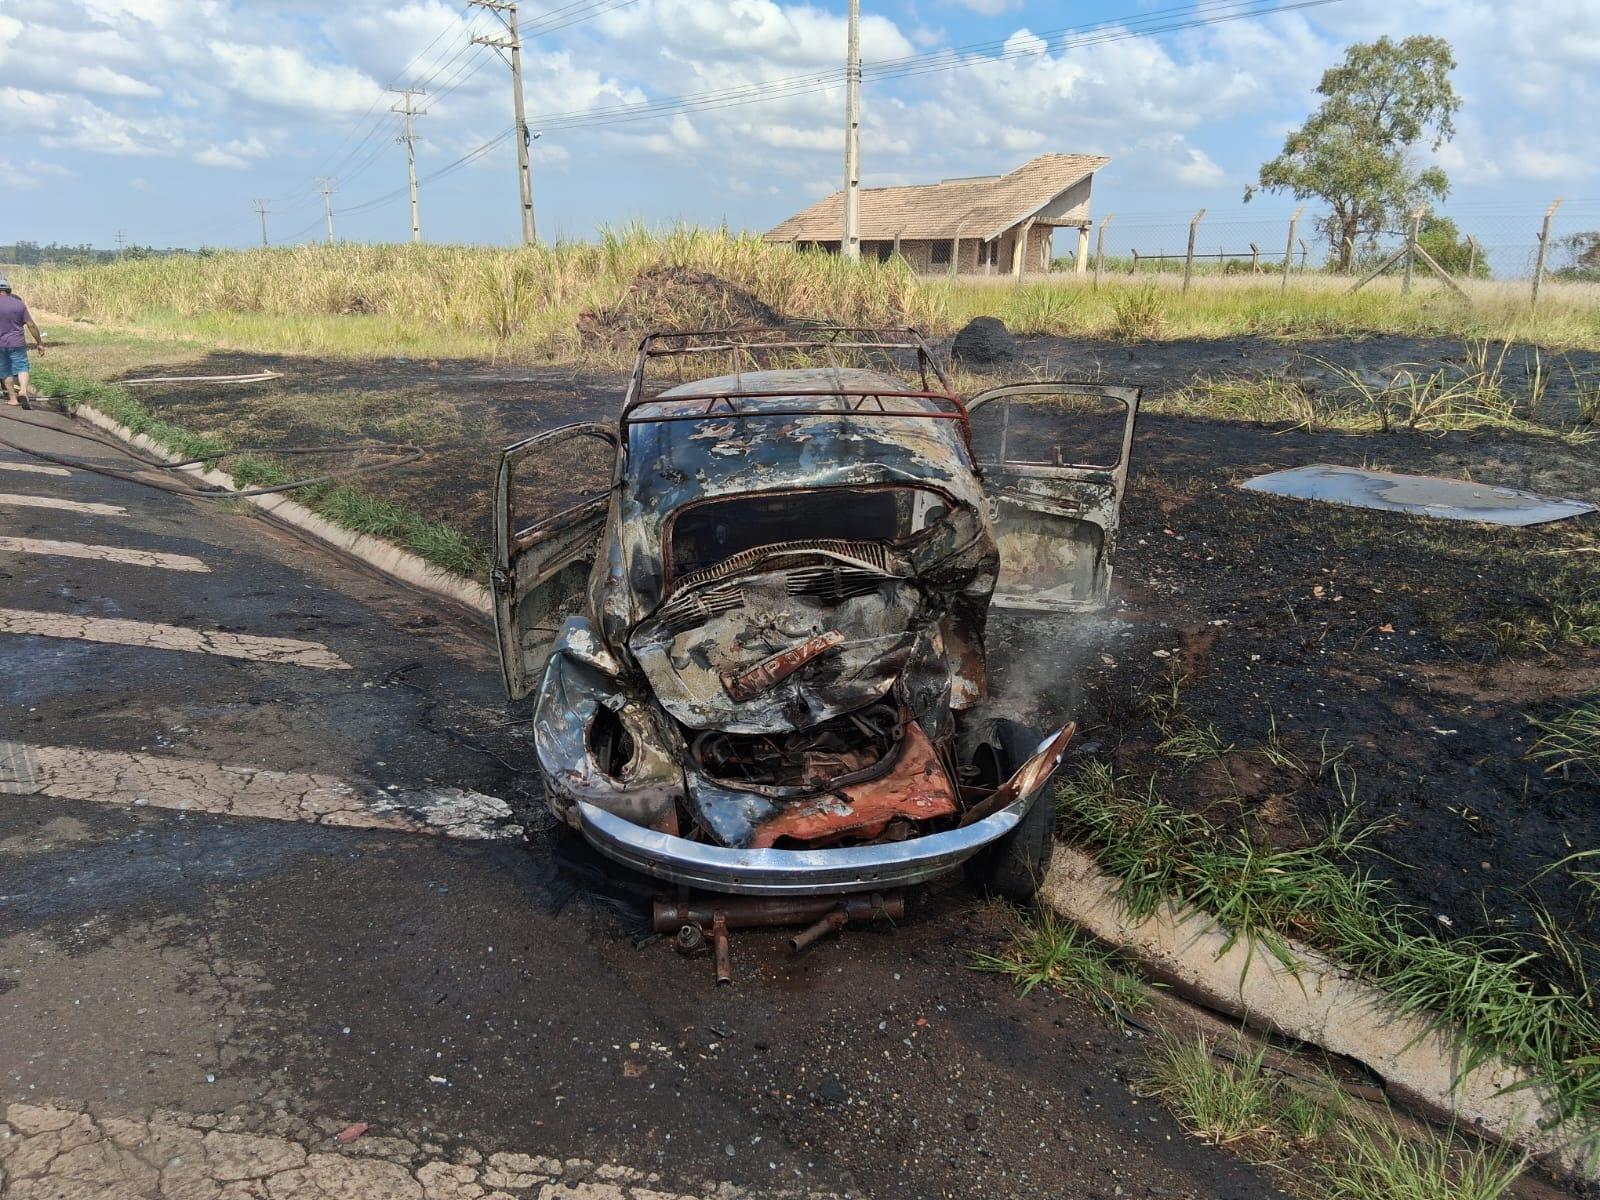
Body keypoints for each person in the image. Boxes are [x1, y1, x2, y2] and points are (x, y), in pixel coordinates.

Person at [0, 275, 44, 407]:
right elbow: (30, 324)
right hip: (18, 343)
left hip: (1, 344)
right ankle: (23, 391)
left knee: (5, 370)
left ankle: (13, 398)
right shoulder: (19, 304)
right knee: (22, 367)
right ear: (9, 290)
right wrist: (39, 342)